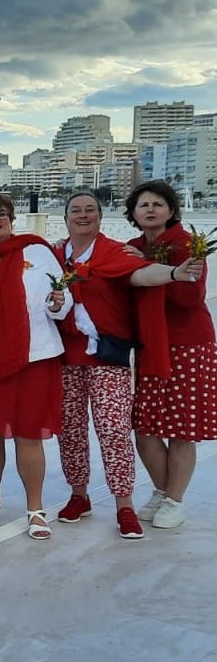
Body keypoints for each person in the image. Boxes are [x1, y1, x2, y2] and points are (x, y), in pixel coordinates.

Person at [54, 192, 197, 538]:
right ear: (66, 218)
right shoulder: (55, 254)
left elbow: (143, 275)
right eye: (76, 210)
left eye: (90, 210)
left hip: (108, 357)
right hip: (66, 357)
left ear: (101, 217)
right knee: (70, 431)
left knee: (113, 431)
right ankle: (79, 495)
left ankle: (125, 504)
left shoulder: (113, 252)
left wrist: (176, 273)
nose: (83, 215)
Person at [0, 192, 70, 541]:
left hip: (33, 358)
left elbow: (62, 304)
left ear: (12, 220)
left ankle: (35, 508)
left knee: (28, 434)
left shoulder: (37, 252)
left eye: (3, 214)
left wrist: (58, 303)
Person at [124, 180, 215, 529]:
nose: (150, 209)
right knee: (145, 427)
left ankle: (175, 500)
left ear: (171, 210)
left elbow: (188, 298)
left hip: (188, 345)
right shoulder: (130, 247)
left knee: (181, 428)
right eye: (143, 204)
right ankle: (163, 492)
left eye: (158, 204)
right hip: (149, 346)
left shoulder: (187, 246)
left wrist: (147, 265)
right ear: (133, 213)